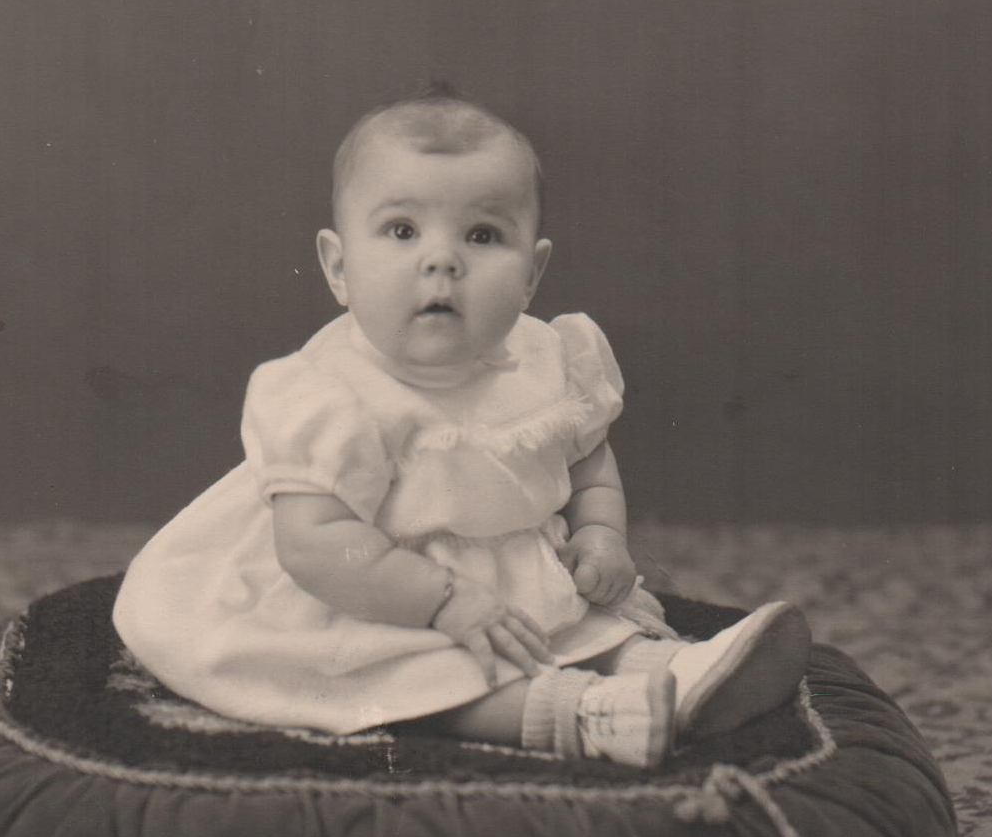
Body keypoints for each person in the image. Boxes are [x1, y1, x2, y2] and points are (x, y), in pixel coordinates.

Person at [113, 86, 811, 767]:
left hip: (511, 573)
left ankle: (666, 671)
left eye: (482, 235)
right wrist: (441, 601)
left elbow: (588, 459)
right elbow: (316, 546)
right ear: (339, 267)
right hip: (362, 591)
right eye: (402, 231)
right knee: (406, 676)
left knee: (579, 622)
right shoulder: (328, 393)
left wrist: (600, 533)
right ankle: (578, 715)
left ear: (532, 272)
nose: (442, 259)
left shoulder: (549, 358)